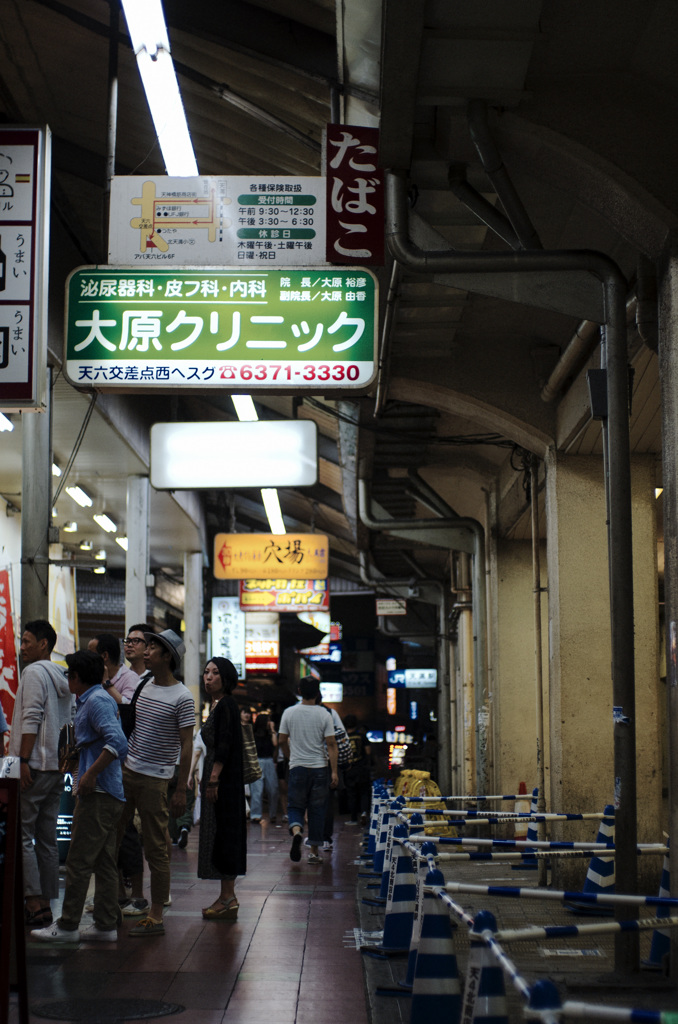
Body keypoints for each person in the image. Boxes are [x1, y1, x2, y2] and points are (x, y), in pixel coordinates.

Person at [31, 650, 128, 943]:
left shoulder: (96, 701)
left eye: (69, 674)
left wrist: (90, 774)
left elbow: (118, 742)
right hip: (107, 792)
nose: (66, 678)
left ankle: (70, 924)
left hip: (98, 792)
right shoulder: (91, 699)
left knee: (78, 859)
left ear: (77, 677)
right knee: (103, 861)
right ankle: (106, 923)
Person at [116, 629, 195, 936]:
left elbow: (186, 744)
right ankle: (114, 900)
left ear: (167, 657)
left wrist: (180, 788)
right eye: (145, 645)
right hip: (126, 772)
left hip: (156, 779)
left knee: (156, 848)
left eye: (152, 647)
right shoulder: (144, 684)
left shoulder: (182, 697)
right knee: (114, 837)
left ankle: (157, 913)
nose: (145, 651)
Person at [9, 619, 73, 927]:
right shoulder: (63, 675)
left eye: (27, 641)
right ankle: (47, 904)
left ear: (43, 644)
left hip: (33, 766)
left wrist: (22, 759)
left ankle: (33, 902)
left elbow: (31, 717)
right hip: (56, 769)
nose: (22, 648)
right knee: (47, 839)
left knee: (22, 836)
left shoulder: (33, 672)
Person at [198, 658, 246, 920]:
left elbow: (224, 744)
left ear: (226, 678)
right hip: (219, 776)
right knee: (219, 833)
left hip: (224, 781)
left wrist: (214, 778)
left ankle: (228, 896)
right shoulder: (217, 705)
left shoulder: (226, 704)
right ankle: (226, 895)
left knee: (224, 833)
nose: (208, 677)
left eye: (215, 673)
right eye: (206, 672)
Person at [278, 677, 338, 865]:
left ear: (299, 690)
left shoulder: (289, 713)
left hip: (297, 766)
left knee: (295, 805)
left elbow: (281, 740)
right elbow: (331, 744)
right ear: (318, 693)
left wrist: (290, 757)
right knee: (317, 810)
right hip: (320, 768)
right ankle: (313, 852)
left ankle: (297, 831)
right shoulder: (325, 715)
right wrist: (334, 771)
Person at [88, 632, 139, 704]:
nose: (87, 658)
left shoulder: (129, 677)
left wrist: (107, 683)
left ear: (105, 656)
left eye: (91, 654)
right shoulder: (92, 676)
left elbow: (128, 706)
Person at [249, 712, 278, 824]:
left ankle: (273, 814)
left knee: (273, 789)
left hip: (269, 761)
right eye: (268, 720)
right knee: (257, 790)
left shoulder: (271, 734)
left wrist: (273, 730)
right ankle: (255, 815)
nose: (269, 723)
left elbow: (275, 744)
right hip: (257, 761)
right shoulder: (253, 734)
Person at [342, 715, 371, 825]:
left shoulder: (343, 738)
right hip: (362, 768)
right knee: (364, 792)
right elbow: (368, 752)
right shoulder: (362, 736)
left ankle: (353, 818)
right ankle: (364, 813)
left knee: (351, 794)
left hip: (349, 769)